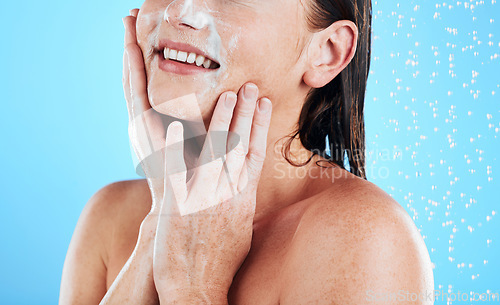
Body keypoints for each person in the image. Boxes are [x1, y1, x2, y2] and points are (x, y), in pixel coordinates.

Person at [59, 0, 434, 304]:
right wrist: (161, 223)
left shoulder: (367, 240)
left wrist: (193, 290)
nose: (179, 10)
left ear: (326, 52)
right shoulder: (108, 219)